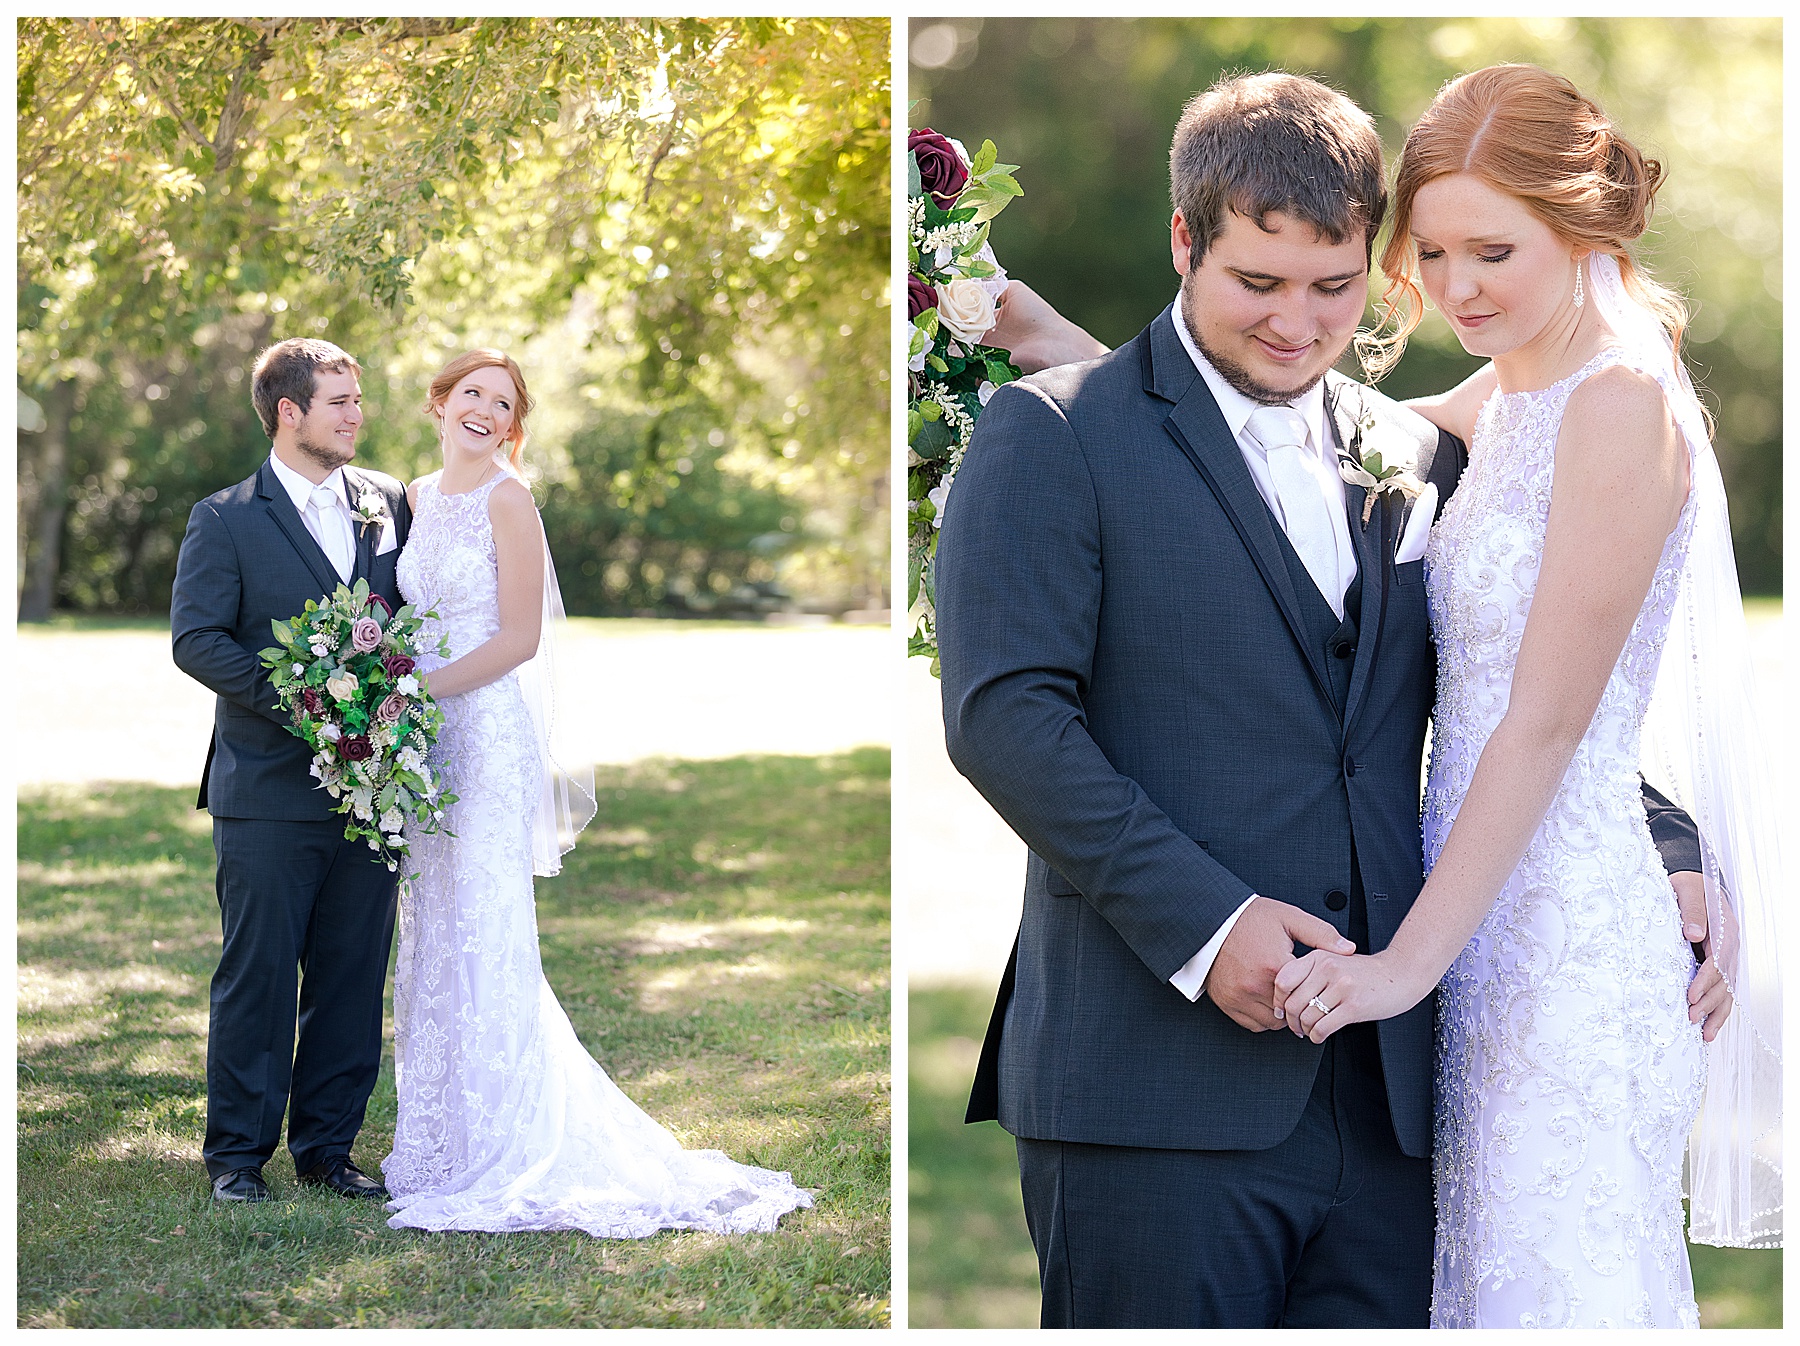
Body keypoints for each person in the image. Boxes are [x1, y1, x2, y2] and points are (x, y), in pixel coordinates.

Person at [933, 71, 1727, 1328]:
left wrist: (1668, 840)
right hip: (1155, 1089)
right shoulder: (1058, 436)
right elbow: (1008, 714)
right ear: (1185, 241)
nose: (1300, 325)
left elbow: (1554, 690)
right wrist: (1209, 922)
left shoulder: (1430, 442)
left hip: (1413, 1076)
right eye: (1258, 283)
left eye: (1336, 285)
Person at [1271, 64, 1782, 1327]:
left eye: (1491, 249)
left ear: (1584, 223)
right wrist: (1049, 351)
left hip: (1566, 939)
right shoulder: (1510, 392)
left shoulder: (1620, 406)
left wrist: (1400, 967)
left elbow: (1548, 721)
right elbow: (1288, 428)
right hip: (1477, 907)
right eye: (1432, 251)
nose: (1455, 287)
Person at [380, 349, 813, 1236]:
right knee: (431, 924)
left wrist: (418, 689)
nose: (484, 412)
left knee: (485, 924)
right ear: (439, 402)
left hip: (485, 732)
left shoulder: (510, 499)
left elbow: (518, 642)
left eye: (502, 404)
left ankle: (507, 1140)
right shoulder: (416, 498)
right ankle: (438, 1141)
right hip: (424, 743)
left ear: (511, 427)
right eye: (472, 394)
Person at [172, 337, 410, 1204]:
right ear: (289, 412)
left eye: (357, 399)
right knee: (259, 974)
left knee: (352, 974)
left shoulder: (389, 502)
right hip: (267, 789)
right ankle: (236, 1158)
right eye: (339, 401)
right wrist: (310, 705)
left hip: (376, 791)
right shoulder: (225, 517)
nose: (357, 414)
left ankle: (327, 1151)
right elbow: (196, 639)